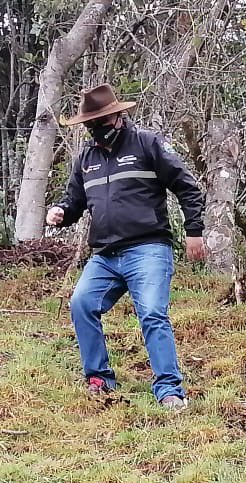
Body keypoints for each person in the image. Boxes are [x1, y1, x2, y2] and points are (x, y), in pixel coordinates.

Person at [47, 83, 206, 409]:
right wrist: (60, 213)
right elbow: (74, 203)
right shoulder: (86, 158)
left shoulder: (147, 144)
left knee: (152, 313)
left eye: (101, 122)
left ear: (118, 116)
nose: (96, 129)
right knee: (81, 304)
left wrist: (194, 231)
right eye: (90, 124)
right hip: (104, 256)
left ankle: (169, 390)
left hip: (148, 249)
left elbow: (187, 187)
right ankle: (99, 379)